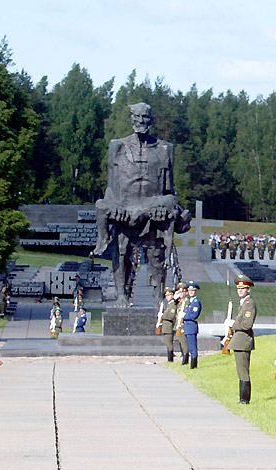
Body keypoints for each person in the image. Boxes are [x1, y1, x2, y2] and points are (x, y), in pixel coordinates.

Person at [92, 102, 191, 307]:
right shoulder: (117, 146)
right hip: (125, 211)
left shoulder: (165, 149)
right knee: (120, 251)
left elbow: (170, 192)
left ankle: (158, 298)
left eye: (145, 118)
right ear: (131, 120)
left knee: (156, 255)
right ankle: (121, 295)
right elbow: (111, 188)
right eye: (137, 117)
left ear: (151, 120)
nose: (141, 122)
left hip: (152, 212)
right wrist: (114, 205)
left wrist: (161, 203)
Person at [225, 275, 257, 404]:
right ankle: (242, 398)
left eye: (243, 288)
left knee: (243, 372)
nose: (240, 291)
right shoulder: (243, 304)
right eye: (239, 288)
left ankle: (244, 399)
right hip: (239, 341)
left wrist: (233, 324)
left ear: (248, 290)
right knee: (240, 371)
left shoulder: (249, 305)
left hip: (243, 341)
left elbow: (247, 324)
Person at [181, 281, 202, 369]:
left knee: (192, 347)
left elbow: (194, 315)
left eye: (192, 290)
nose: (191, 292)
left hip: (191, 326)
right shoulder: (190, 302)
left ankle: (194, 365)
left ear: (196, 291)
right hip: (188, 326)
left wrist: (184, 316)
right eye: (189, 291)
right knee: (189, 346)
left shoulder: (196, 302)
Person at [158, 287, 178, 362]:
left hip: (169, 327)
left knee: (169, 344)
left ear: (172, 296)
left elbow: (171, 316)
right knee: (167, 343)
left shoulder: (172, 305)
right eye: (166, 296)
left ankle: (170, 360)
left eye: (169, 295)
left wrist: (162, 316)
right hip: (166, 327)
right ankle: (169, 358)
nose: (167, 297)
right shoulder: (169, 305)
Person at [174, 283, 190, 365]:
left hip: (183, 325)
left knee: (184, 343)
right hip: (179, 324)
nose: (180, 294)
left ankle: (185, 360)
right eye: (179, 292)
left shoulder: (186, 302)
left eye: (182, 292)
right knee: (181, 342)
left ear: (186, 292)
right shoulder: (181, 301)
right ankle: (184, 358)